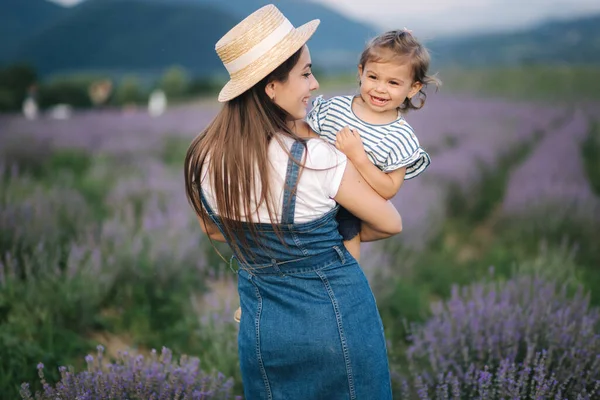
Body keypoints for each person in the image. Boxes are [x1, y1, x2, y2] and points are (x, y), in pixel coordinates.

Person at [184, 5, 401, 399]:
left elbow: (211, 227)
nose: (315, 84)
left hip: (263, 330)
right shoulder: (315, 158)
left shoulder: (206, 157)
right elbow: (390, 223)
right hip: (335, 323)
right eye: (304, 73)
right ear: (271, 87)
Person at [307, 28, 440, 261]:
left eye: (393, 82)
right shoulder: (335, 108)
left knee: (346, 259)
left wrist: (359, 157)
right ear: (361, 72)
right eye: (373, 77)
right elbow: (307, 140)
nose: (380, 88)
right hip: (309, 195)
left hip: (350, 206)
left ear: (413, 88)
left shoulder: (400, 137)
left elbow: (389, 189)